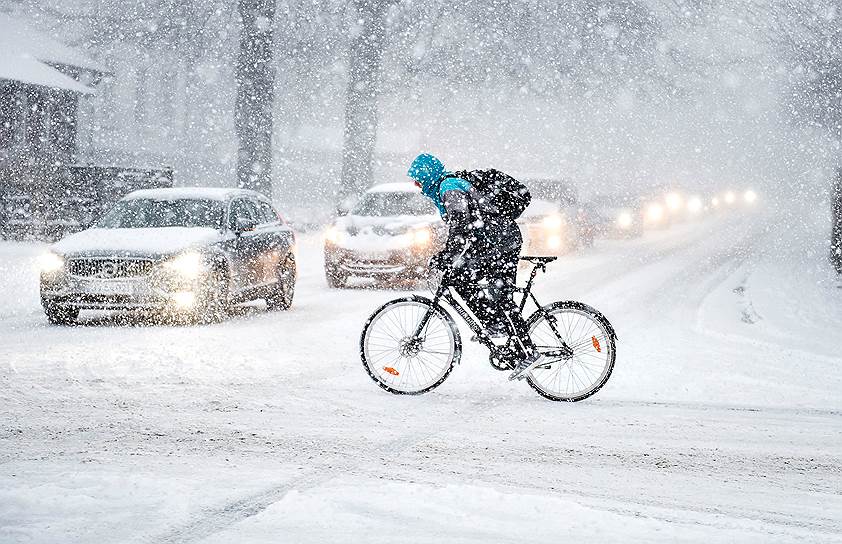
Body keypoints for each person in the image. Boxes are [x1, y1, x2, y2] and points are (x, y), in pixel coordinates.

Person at [407, 153, 542, 380]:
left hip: (500, 243)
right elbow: (465, 227)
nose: (416, 184)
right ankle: (497, 324)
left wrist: (447, 256)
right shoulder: (447, 186)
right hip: (495, 242)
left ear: (427, 175)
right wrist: (450, 254)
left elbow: (461, 225)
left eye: (418, 178)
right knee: (464, 279)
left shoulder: (449, 188)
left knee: (497, 294)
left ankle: (527, 351)